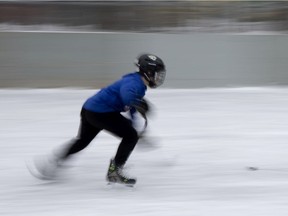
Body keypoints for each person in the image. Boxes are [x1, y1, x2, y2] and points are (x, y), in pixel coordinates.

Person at [32, 54, 166, 186]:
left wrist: (136, 120)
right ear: (148, 72)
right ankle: (114, 173)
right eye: (157, 74)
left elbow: (131, 106)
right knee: (130, 136)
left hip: (89, 109)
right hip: (102, 113)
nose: (159, 78)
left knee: (83, 141)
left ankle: (55, 161)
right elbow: (127, 96)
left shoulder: (136, 81)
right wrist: (138, 104)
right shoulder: (134, 83)